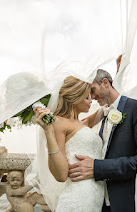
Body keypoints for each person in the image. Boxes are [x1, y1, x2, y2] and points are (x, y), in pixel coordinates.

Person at [68, 65, 137, 211]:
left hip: (126, 201)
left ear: (105, 83)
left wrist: (97, 167)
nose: (91, 97)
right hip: (100, 201)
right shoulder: (104, 113)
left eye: (92, 90)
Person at [34, 76, 106, 212]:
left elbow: (109, 104)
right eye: (87, 98)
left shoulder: (80, 123)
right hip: (77, 200)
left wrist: (121, 71)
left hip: (95, 198)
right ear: (74, 98)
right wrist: (48, 131)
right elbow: (61, 175)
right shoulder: (57, 123)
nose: (91, 101)